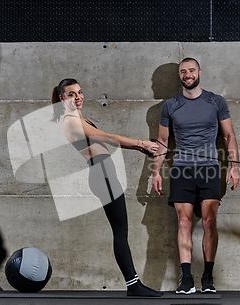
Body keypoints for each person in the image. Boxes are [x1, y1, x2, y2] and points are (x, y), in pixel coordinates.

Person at [51, 78, 162, 297]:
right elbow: (108, 138)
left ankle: (134, 284)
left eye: (80, 92)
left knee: (121, 231)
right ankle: (133, 285)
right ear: (62, 98)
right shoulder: (71, 121)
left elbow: (103, 142)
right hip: (102, 174)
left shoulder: (80, 118)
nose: (79, 97)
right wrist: (141, 143)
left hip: (104, 173)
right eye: (72, 94)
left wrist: (139, 149)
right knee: (120, 232)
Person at [151, 58, 240, 294]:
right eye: (183, 72)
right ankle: (187, 279)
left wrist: (235, 166)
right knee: (184, 222)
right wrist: (156, 171)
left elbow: (229, 135)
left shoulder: (216, 101)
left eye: (191, 70)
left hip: (210, 168)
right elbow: (162, 141)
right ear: (179, 76)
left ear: (199, 72)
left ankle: (208, 279)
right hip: (181, 169)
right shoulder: (170, 106)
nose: (187, 75)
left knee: (210, 221)